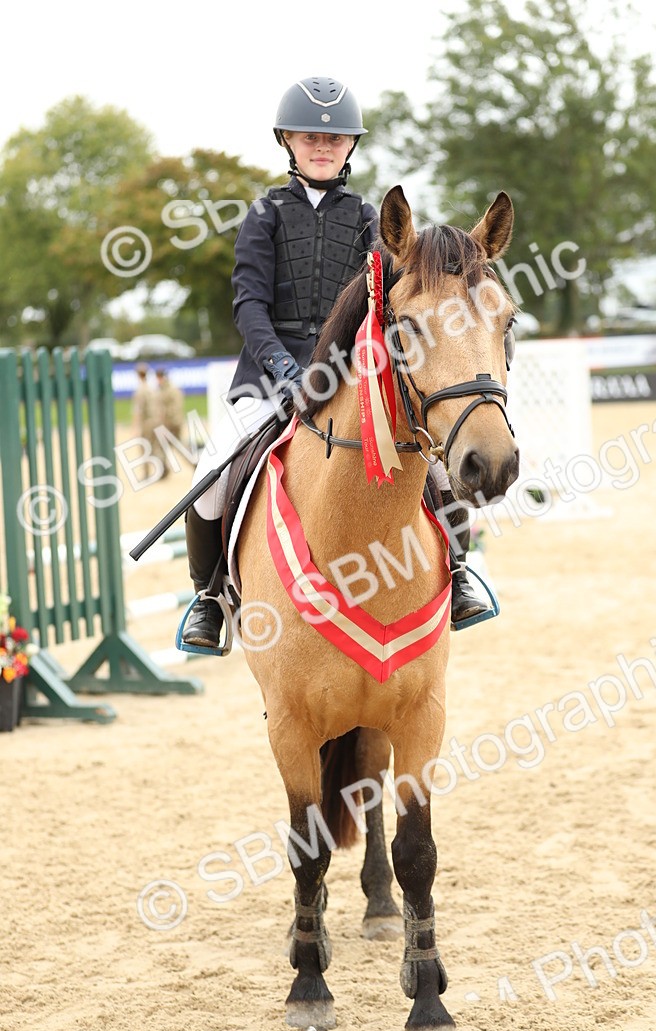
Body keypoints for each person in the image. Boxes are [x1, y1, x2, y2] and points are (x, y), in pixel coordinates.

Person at [180, 76, 492, 651]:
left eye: (335, 139)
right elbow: (249, 303)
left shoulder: (373, 219)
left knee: (435, 461)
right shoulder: (264, 215)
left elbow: (391, 303)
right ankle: (207, 596)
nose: (322, 147)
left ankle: (461, 569)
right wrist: (282, 368)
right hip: (269, 377)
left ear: (350, 146)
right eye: (309, 138)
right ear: (287, 142)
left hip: (350, 376)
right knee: (212, 473)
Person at [131, 363, 167, 477]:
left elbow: (138, 411)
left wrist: (135, 427)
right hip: (156, 421)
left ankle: (146, 474)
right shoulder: (152, 388)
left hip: (147, 423)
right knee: (155, 446)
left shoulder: (140, 391)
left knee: (144, 447)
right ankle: (162, 466)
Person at [154, 367, 185, 456]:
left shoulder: (171, 389)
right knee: (166, 445)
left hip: (172, 423)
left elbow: (177, 406)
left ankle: (192, 461)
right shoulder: (162, 389)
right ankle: (164, 467)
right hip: (168, 423)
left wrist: (167, 418)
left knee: (172, 444)